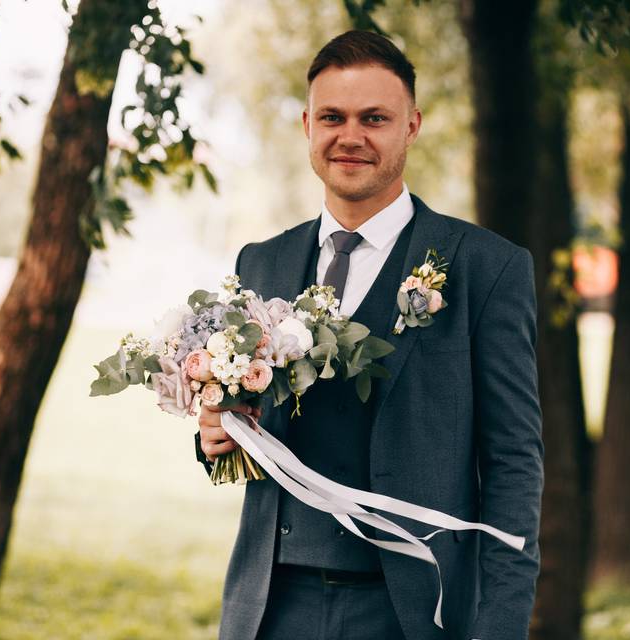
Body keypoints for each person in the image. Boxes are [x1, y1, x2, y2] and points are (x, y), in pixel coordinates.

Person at [197, 30, 544, 640]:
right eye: (332, 117)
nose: (349, 136)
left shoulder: (486, 268)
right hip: (271, 608)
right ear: (307, 125)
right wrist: (214, 437)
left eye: (374, 118)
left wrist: (500, 627)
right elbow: (249, 437)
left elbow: (515, 462)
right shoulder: (261, 263)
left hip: (411, 611)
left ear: (411, 127)